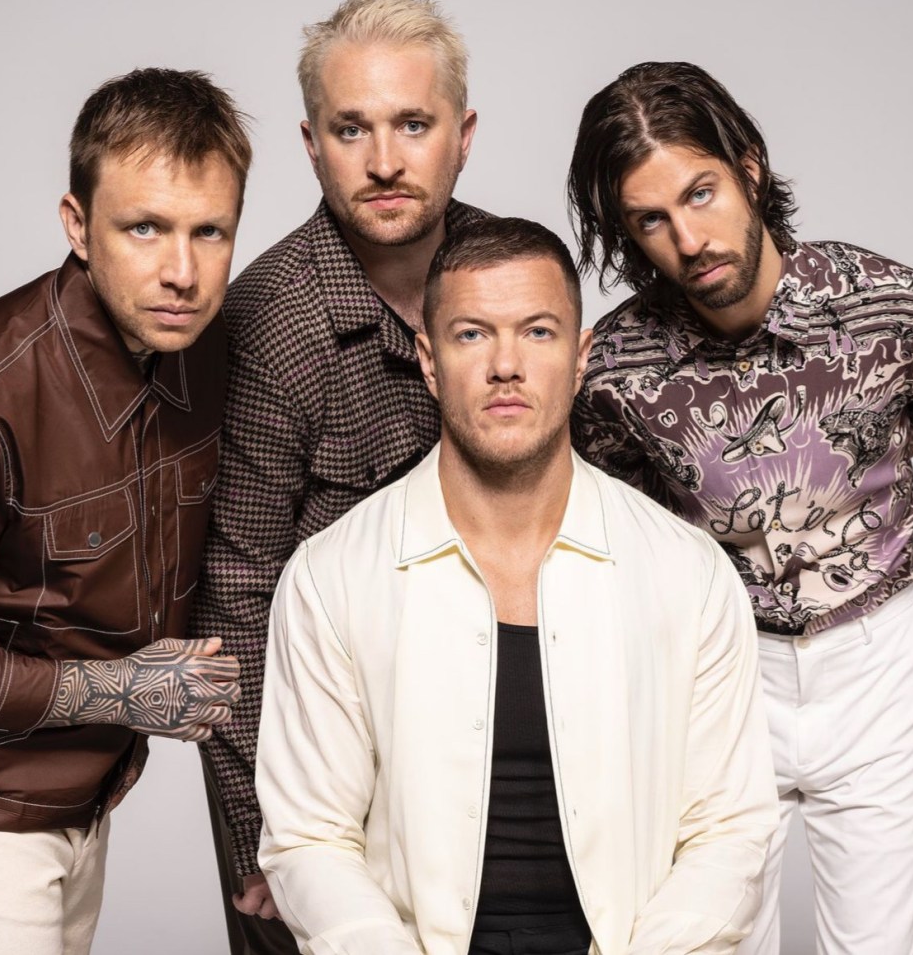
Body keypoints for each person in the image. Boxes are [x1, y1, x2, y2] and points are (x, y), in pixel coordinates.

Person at [255, 217, 777, 955]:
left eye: (537, 332)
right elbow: (310, 840)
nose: (506, 365)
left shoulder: (686, 572)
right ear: (429, 360)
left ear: (580, 357)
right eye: (472, 335)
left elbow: (729, 831)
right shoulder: (331, 576)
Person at [568, 61, 913, 955]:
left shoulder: (889, 309)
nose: (688, 238)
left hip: (880, 672)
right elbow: (607, 539)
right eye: (650, 219)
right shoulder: (614, 372)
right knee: (714, 941)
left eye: (700, 193)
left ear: (749, 167)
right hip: (721, 683)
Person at [0, 67, 251, 955]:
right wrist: (114, 690)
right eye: (144, 227)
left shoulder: (203, 352)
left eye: (209, 231)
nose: (181, 273)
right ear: (77, 225)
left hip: (95, 794)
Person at [189, 0, 485, 953]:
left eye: (413, 124)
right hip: (317, 771)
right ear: (312, 145)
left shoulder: (511, 274)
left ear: (463, 135)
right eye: (352, 129)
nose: (385, 160)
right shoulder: (270, 321)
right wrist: (264, 837)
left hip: (485, 750)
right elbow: (233, 592)